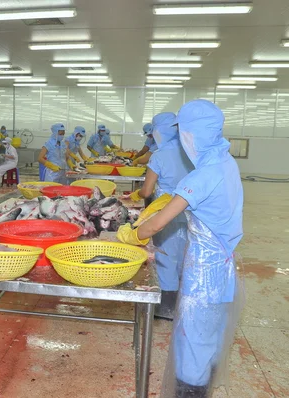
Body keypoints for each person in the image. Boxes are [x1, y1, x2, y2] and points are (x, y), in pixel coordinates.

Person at [117, 100, 244, 397]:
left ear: (191, 134)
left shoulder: (200, 177)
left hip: (204, 273)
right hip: (224, 266)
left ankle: (191, 392)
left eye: (184, 132)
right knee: (209, 336)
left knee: (193, 342)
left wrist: (132, 235)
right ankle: (202, 387)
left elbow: (156, 225)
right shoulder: (226, 162)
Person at [125, 112, 193, 319]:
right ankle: (184, 304)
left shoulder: (159, 156)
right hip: (190, 213)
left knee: (165, 257)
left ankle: (166, 307)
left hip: (166, 213)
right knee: (184, 255)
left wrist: (136, 194)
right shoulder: (190, 152)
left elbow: (146, 191)